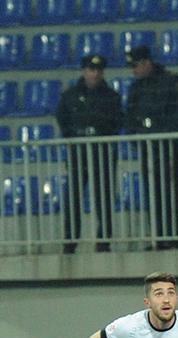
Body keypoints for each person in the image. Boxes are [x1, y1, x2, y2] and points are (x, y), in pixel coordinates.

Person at [124, 46, 178, 250]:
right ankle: (159, 236)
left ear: (147, 62)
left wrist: (163, 133)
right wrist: (138, 138)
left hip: (169, 146)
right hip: (148, 148)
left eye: (136, 65)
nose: (134, 71)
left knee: (174, 191)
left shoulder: (172, 81)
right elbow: (130, 117)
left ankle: (177, 236)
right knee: (153, 193)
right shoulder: (136, 88)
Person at [55, 54, 123, 254]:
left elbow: (117, 121)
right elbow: (62, 119)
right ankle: (70, 241)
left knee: (104, 198)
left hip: (102, 154)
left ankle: (104, 240)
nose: (95, 74)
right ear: (84, 71)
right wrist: (74, 135)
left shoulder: (111, 97)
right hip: (78, 155)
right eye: (91, 70)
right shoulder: (70, 96)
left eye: (98, 70)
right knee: (73, 198)